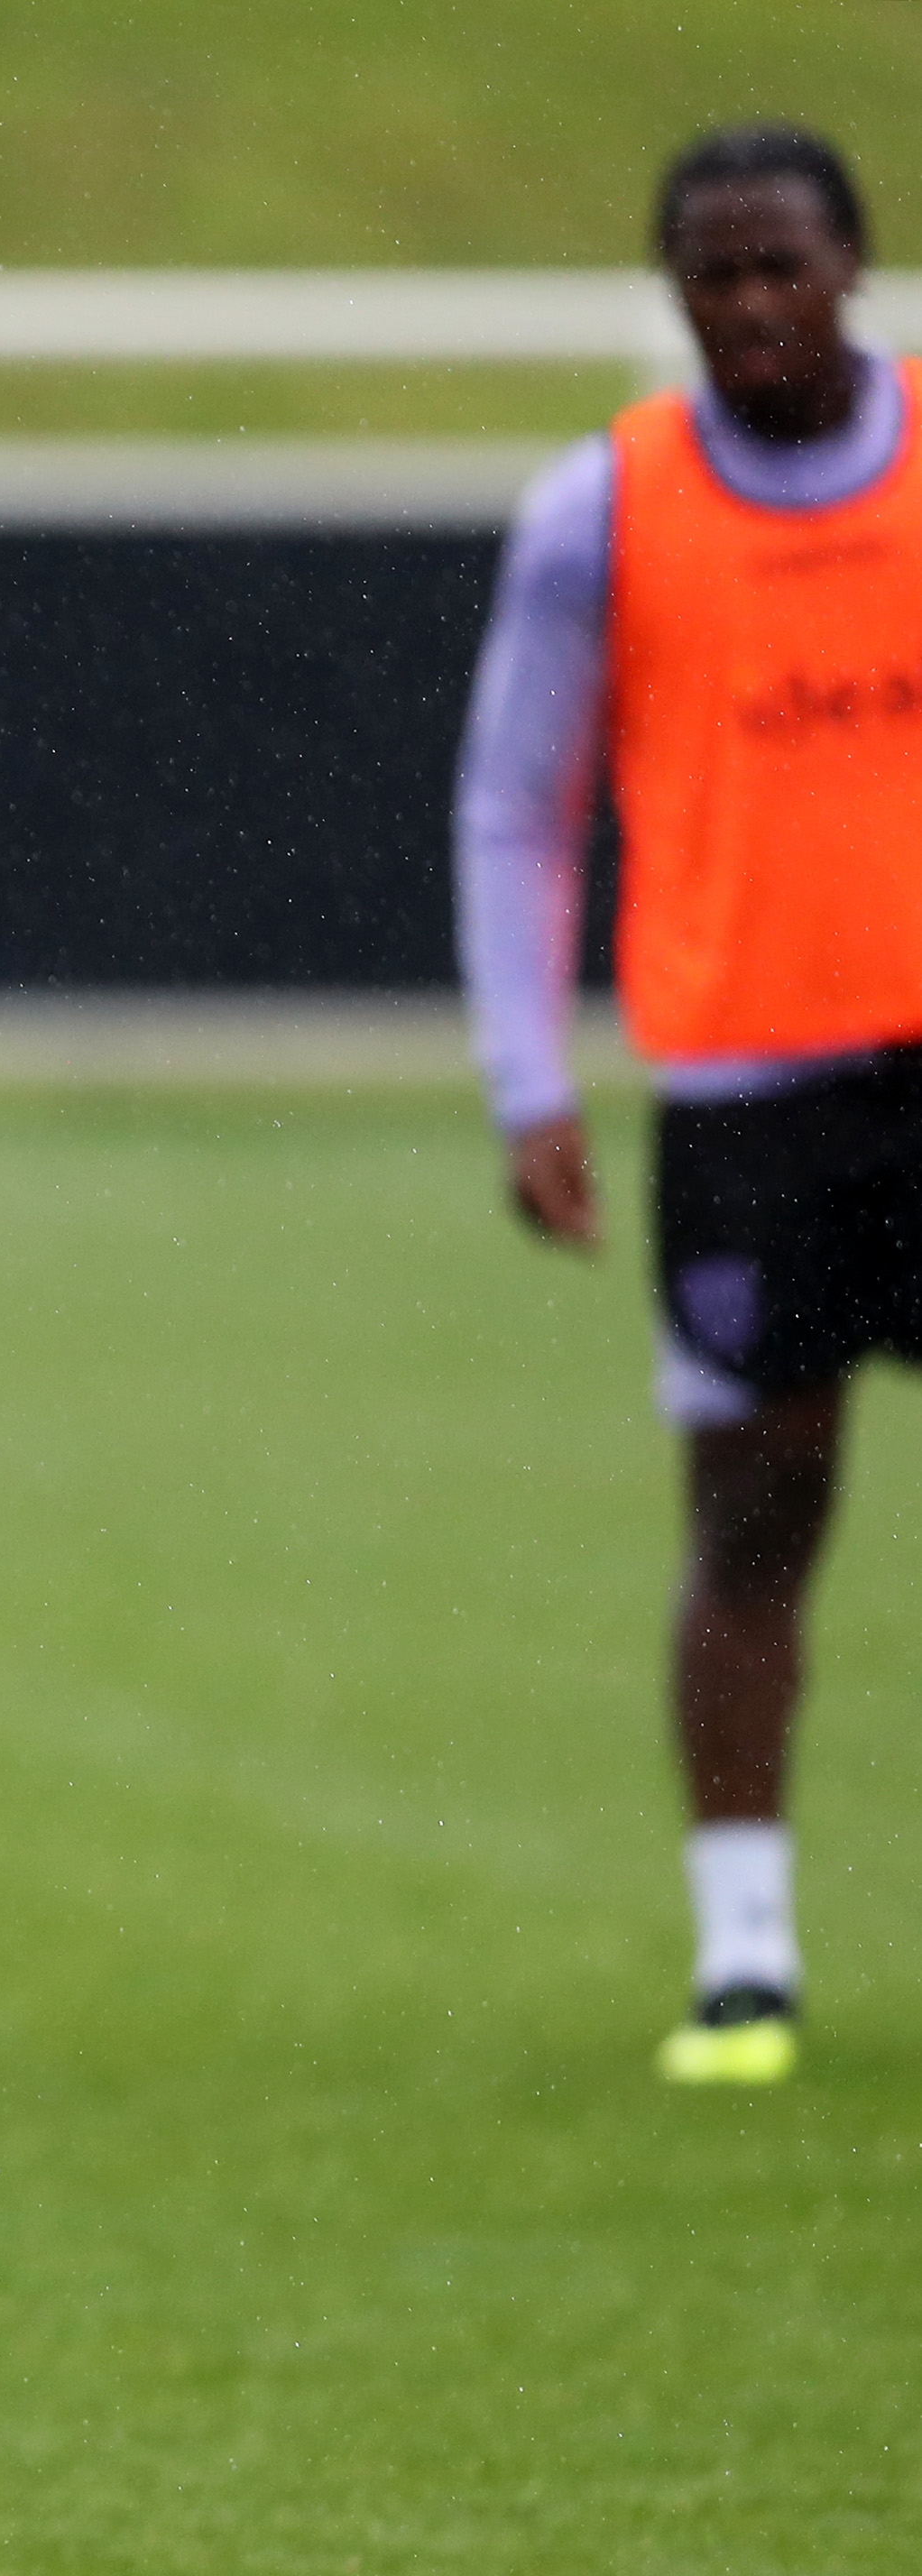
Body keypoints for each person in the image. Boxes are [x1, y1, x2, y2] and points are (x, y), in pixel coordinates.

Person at [457, 121, 915, 2087]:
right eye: (713, 276)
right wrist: (525, 1072)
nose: (750, 305)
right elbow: (514, 803)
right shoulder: (606, 512)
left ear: (855, 265)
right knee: (755, 1520)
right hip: (746, 1090)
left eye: (781, 266)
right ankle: (746, 1955)